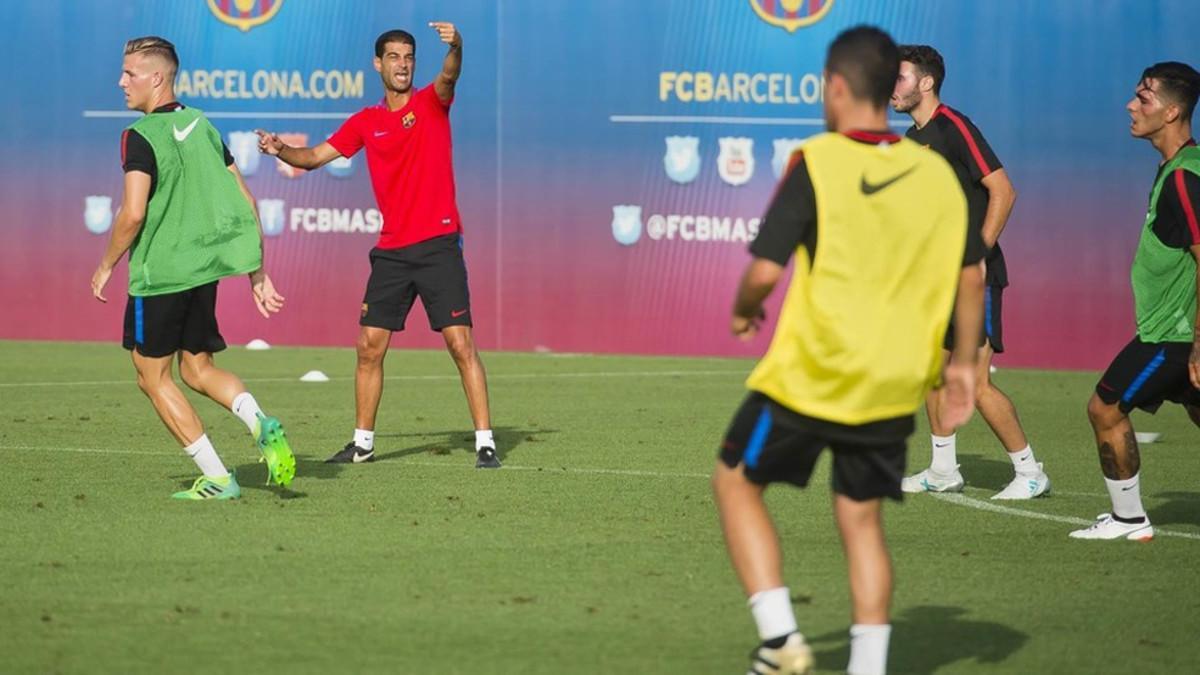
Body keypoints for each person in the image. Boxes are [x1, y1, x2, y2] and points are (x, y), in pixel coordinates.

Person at [713, 26, 985, 675]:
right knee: (861, 522)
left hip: (812, 374)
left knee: (735, 480)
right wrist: (963, 366)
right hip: (891, 384)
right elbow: (969, 277)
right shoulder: (935, 174)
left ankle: (780, 641)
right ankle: (867, 666)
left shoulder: (819, 160)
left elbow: (762, 273)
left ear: (836, 87)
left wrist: (745, 311)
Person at [255, 22, 499, 469]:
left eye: (408, 57)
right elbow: (312, 159)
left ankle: (485, 442)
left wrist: (458, 46)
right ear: (378, 64)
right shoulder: (366, 122)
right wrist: (280, 149)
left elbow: (449, 76)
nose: (402, 65)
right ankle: (362, 444)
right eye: (393, 57)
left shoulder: (431, 102)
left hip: (439, 244)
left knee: (460, 343)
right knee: (369, 345)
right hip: (392, 251)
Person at [90, 36, 294, 500]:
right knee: (198, 369)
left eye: (130, 73)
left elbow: (133, 212)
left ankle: (219, 478)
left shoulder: (139, 135)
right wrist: (256, 272)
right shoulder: (202, 125)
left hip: (160, 275)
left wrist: (105, 265)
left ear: (157, 78)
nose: (121, 82)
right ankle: (259, 421)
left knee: (151, 376)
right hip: (203, 274)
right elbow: (245, 201)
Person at [891, 44, 1049, 500]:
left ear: (926, 82)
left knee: (975, 385)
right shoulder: (911, 141)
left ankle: (1029, 471)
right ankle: (942, 470)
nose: (890, 88)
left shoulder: (955, 127)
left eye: (898, 78)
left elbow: (1004, 190)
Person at [1071, 62, 1200, 541]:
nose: (1131, 104)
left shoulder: (1185, 178)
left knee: (1104, 409)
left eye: (1143, 98)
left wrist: (1197, 342)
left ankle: (1129, 519)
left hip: (1173, 335)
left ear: (1171, 112)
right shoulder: (1177, 168)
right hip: (1173, 330)